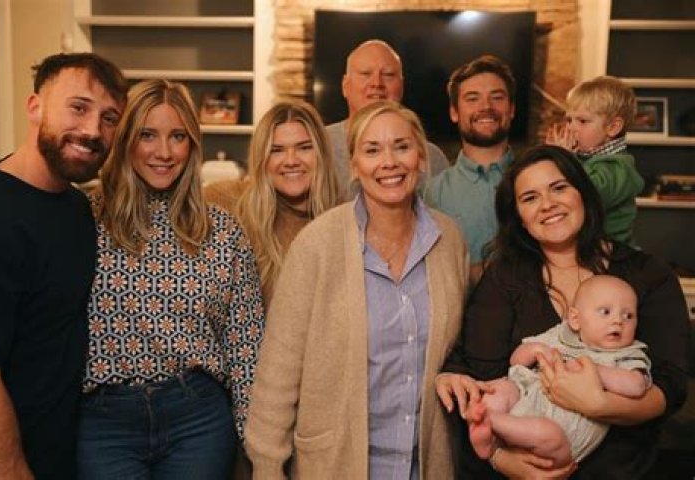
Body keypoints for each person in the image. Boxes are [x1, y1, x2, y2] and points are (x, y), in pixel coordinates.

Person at [436, 145, 690, 479]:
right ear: (520, 218)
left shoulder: (647, 274)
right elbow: (479, 375)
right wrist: (500, 458)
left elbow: (671, 384)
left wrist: (601, 405)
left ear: (582, 194)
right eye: (530, 197)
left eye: (559, 188)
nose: (548, 204)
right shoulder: (504, 280)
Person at [245, 101, 469, 479]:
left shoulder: (449, 240)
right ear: (353, 165)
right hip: (336, 465)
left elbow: (458, 351)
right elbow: (278, 371)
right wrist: (267, 465)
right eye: (372, 150)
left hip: (424, 466)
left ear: (421, 156)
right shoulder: (317, 244)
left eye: (401, 146)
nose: (389, 162)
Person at [77, 79, 265, 479]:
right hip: (103, 424)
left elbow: (246, 346)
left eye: (177, 136)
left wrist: (257, 449)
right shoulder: (84, 220)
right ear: (126, 140)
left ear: (192, 145)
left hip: (197, 422)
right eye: (148, 135)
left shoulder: (223, 231)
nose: (163, 152)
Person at [0, 52, 127, 480]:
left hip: (60, 453)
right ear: (35, 107)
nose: (93, 130)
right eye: (78, 107)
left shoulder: (77, 206)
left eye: (109, 118)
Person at [466, 275, 651, 470]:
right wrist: (535, 350)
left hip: (561, 437)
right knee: (500, 389)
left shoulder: (626, 354)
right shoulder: (560, 335)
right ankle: (488, 436)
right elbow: (516, 361)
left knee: (547, 432)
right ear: (575, 319)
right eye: (605, 312)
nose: (618, 321)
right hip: (525, 399)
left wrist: (597, 372)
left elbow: (637, 386)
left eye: (628, 315)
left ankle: (488, 421)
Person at [205, 100, 341, 305]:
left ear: (321, 154)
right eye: (276, 150)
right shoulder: (224, 200)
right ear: (262, 158)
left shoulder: (343, 221)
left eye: (304, 148)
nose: (291, 160)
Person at [423, 55, 517, 282]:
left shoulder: (540, 181)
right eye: (472, 98)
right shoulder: (430, 193)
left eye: (497, 97)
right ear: (454, 112)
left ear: (512, 109)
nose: (486, 107)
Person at [326, 39, 450, 198]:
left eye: (388, 75)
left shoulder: (432, 156)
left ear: (402, 86)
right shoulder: (318, 145)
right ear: (345, 85)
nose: (377, 83)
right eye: (365, 74)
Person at [546, 75, 644, 245]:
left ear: (613, 127)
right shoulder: (583, 157)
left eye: (582, 121)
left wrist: (565, 159)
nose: (571, 128)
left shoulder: (618, 167)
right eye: (569, 120)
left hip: (614, 252)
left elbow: (587, 194)